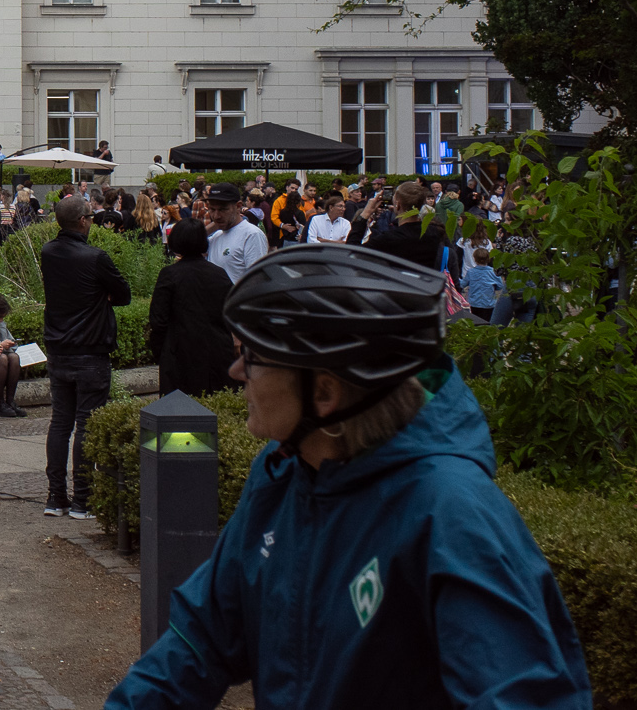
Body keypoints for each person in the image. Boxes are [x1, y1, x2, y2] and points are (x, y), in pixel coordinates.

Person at [104, 246, 592, 709]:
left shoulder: (452, 515)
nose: (235, 371)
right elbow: (202, 639)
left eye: (251, 357)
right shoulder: (284, 474)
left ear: (324, 393)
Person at [40, 196, 132, 517]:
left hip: (59, 350)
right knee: (86, 425)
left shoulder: (48, 252)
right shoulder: (96, 257)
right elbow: (123, 294)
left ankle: (55, 497)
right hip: (91, 351)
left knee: (61, 423)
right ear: (82, 221)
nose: (92, 222)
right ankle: (82, 499)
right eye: (91, 218)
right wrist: (101, 295)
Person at [148, 218, 236, 397]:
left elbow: (158, 320)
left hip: (180, 354)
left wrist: (160, 352)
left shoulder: (170, 275)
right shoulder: (219, 274)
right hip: (217, 353)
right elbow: (231, 313)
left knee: (180, 417)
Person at [201, 182, 268, 287]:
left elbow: (257, 281)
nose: (216, 216)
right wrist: (214, 225)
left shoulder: (252, 235)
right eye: (212, 209)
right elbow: (184, 245)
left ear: (238, 206)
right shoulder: (216, 236)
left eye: (223, 209)